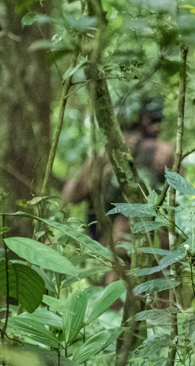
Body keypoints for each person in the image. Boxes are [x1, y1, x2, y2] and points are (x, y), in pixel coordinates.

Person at [63, 96, 175, 257]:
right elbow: (180, 202)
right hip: (156, 250)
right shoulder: (167, 152)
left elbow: (72, 195)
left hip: (116, 247)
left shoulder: (108, 152)